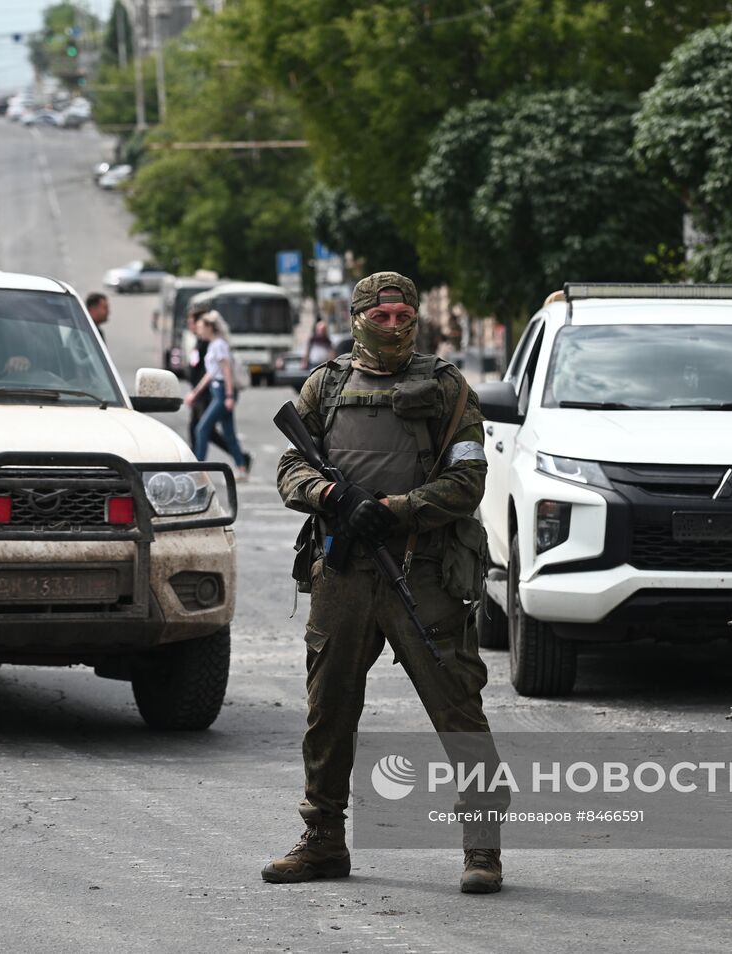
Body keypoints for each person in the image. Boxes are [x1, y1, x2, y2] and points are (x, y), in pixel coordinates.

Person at [265, 271, 506, 894]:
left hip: (422, 573)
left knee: (457, 708)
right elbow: (292, 465)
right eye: (383, 316)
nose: (394, 326)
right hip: (343, 572)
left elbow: (467, 483)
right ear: (358, 318)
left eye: (405, 316)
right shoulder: (327, 384)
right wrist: (330, 494)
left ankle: (483, 849)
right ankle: (322, 840)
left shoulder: (450, 390)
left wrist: (396, 508)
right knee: (329, 711)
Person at [183, 311, 248, 479]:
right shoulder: (212, 345)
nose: (199, 331)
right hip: (216, 389)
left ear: (210, 328)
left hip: (222, 392)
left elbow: (226, 371)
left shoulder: (219, 344)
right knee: (229, 434)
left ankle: (199, 468)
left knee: (202, 428)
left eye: (201, 327)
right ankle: (242, 467)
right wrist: (195, 393)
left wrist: (228, 396)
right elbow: (210, 374)